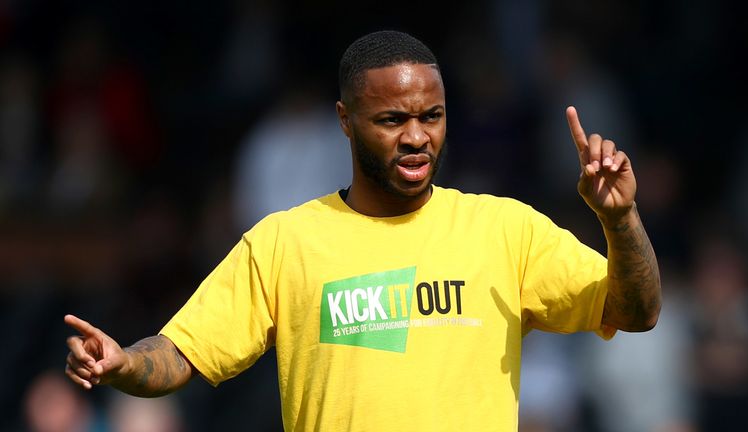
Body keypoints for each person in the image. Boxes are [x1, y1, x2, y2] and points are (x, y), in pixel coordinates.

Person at [64, 30, 661, 431]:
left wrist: (620, 219)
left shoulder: (505, 229)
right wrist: (123, 364)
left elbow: (635, 311)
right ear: (345, 122)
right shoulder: (285, 242)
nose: (417, 136)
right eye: (392, 119)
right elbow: (179, 355)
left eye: (432, 116)